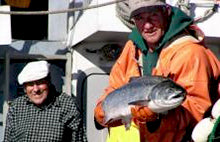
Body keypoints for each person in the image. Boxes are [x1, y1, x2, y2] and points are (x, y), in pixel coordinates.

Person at [94, 0, 220, 141]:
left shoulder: (191, 53)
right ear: (133, 21)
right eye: (140, 18)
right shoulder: (132, 48)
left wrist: (156, 116)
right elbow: (115, 87)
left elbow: (195, 113)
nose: (147, 25)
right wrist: (102, 113)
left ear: (166, 12)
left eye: (153, 15)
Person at [4, 60, 87, 142]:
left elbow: (79, 139)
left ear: (49, 82)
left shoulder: (67, 104)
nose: (36, 89)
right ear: (25, 88)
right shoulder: (17, 107)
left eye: (40, 83)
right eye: (30, 84)